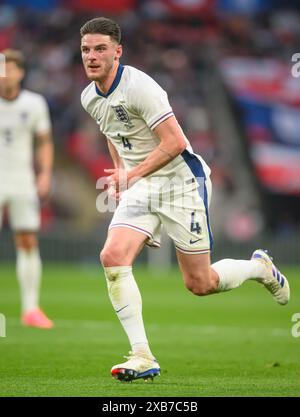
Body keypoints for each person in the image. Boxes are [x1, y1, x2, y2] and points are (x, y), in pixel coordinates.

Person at [80, 17, 290, 382]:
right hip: (144, 185)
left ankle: (259, 268)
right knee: (112, 256)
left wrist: (132, 173)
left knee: (200, 284)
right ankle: (142, 355)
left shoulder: (141, 87)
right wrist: (122, 175)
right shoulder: (89, 97)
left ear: (118, 51)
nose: (92, 56)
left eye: (100, 49)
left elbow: (176, 143)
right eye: (86, 49)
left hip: (181, 183)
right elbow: (114, 133)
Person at [0, 49, 54, 329]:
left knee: (28, 241)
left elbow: (44, 141)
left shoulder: (34, 103)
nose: (3, 74)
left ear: (20, 72)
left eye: (8, 68)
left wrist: (44, 174)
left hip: (21, 179)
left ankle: (31, 308)